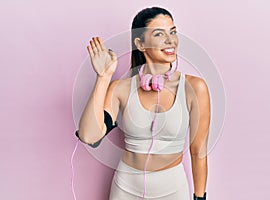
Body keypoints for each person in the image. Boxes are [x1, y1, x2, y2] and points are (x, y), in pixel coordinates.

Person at [75, 6, 210, 200]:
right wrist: (103, 78)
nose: (170, 40)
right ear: (140, 43)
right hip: (125, 188)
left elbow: (198, 152)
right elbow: (89, 136)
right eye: (159, 34)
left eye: (173, 32)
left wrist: (200, 198)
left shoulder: (195, 88)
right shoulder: (120, 88)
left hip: (173, 190)